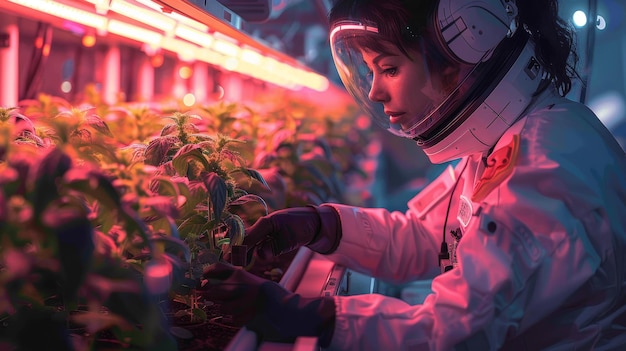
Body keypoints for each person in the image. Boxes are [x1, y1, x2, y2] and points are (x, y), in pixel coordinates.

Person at [201, 0, 626, 349]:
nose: (374, 91)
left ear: (462, 54)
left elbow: (459, 329)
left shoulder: (544, 167)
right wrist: (321, 225)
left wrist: (308, 315)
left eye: (388, 69)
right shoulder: (504, 141)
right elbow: (428, 236)